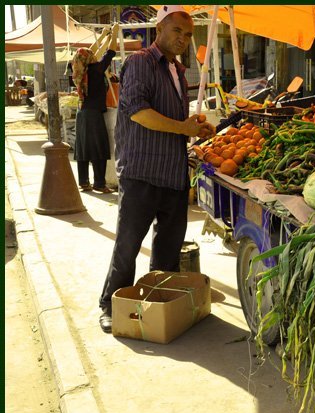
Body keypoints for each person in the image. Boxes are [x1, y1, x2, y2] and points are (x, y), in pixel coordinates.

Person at [97, 5, 215, 333]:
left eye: (189, 34)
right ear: (160, 28)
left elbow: (177, 123)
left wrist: (195, 128)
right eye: (177, 31)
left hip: (173, 174)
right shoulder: (140, 63)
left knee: (167, 250)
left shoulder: (178, 70)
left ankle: (155, 304)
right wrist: (183, 128)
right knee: (129, 244)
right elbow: (137, 111)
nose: (183, 39)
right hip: (141, 172)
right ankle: (110, 304)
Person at [71, 24, 119, 193]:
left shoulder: (80, 70)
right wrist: (114, 35)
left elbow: (90, 53)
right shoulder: (95, 70)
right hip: (93, 114)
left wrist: (104, 35)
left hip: (81, 112)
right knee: (99, 147)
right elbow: (110, 52)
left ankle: (84, 182)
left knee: (83, 147)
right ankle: (99, 183)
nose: (94, 56)